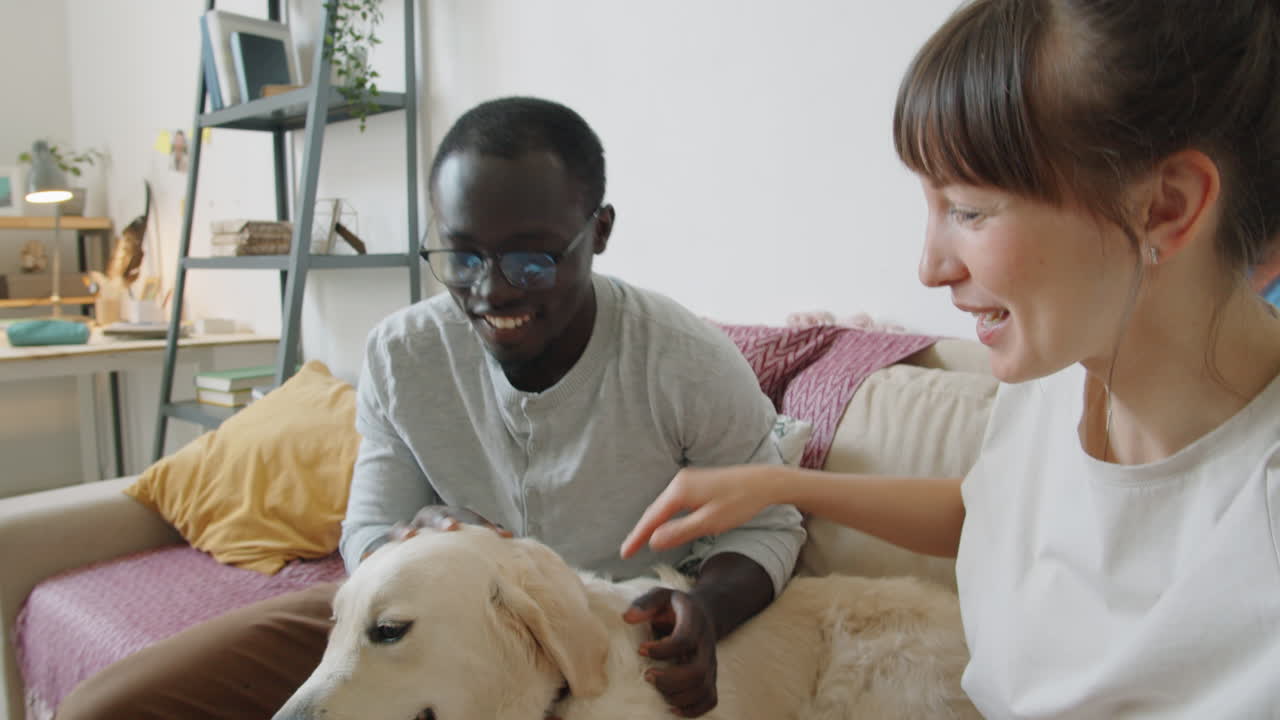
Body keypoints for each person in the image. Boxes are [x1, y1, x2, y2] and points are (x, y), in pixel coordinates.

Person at [622, 1, 1280, 716]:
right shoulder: (1058, 380)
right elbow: (996, 512)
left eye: (968, 210)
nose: (930, 267)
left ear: (1166, 206)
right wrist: (782, 486)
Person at [57, 97, 804, 720]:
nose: (493, 291)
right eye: (463, 256)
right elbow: (369, 529)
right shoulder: (401, 355)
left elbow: (772, 522)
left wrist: (708, 610)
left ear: (598, 233)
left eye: (532, 258)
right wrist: (404, 543)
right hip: (412, 627)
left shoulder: (683, 358)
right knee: (109, 707)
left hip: (602, 634)